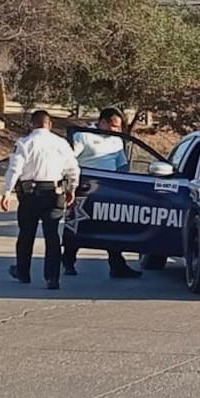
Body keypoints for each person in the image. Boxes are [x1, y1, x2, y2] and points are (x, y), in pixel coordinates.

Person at [1, 110, 79, 290]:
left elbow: (15, 169)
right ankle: (52, 278)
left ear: (32, 124)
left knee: (26, 234)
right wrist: (72, 189)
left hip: (30, 194)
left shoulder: (24, 143)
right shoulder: (61, 143)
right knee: (52, 236)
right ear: (49, 124)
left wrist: (6, 192)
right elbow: (73, 169)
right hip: (54, 191)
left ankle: (23, 272)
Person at [63, 107, 142, 278]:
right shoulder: (83, 136)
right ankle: (68, 261)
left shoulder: (117, 140)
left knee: (112, 228)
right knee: (77, 225)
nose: (115, 130)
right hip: (85, 188)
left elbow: (122, 165)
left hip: (111, 190)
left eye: (118, 127)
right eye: (113, 126)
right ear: (102, 122)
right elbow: (69, 161)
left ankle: (117, 266)